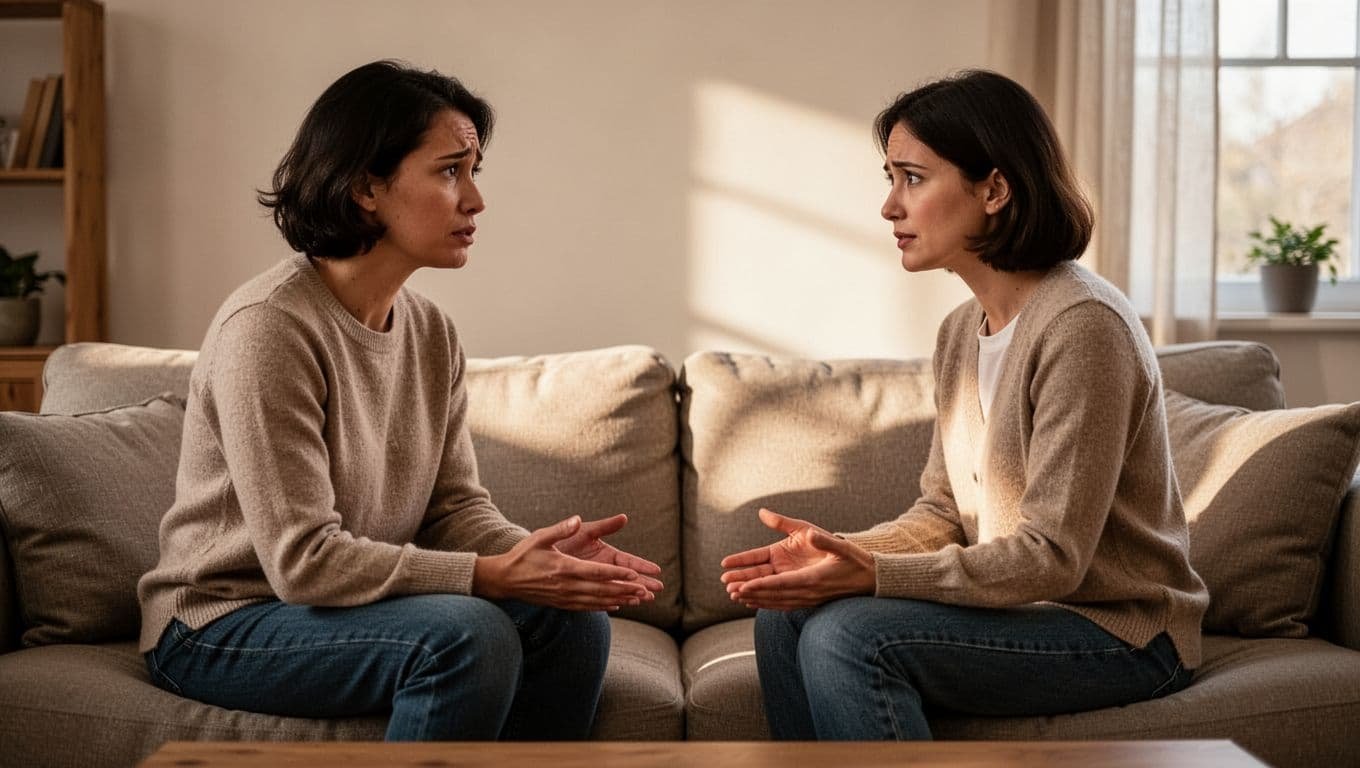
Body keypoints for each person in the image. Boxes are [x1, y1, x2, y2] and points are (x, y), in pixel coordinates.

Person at [137, 60, 663, 741]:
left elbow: (454, 509)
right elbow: (303, 562)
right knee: (465, 636)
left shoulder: (431, 331)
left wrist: (540, 562)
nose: (475, 200)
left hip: (334, 609)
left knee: (572, 622)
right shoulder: (269, 328)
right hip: (220, 622)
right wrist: (492, 577)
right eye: (450, 171)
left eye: (475, 172)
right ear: (365, 188)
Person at [719, 70, 1208, 740]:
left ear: (995, 190)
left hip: (1122, 630)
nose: (890, 206)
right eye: (889, 178)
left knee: (850, 636)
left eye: (912, 178)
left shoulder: (1083, 326)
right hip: (1035, 611)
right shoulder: (961, 331)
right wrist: (839, 555)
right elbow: (945, 512)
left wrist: (874, 576)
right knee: (785, 615)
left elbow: (1053, 557)